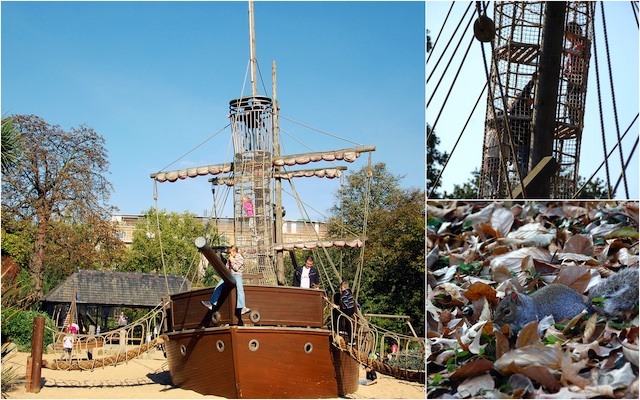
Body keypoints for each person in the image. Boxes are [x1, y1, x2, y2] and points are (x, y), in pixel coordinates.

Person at [201, 245, 250, 315]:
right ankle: (211, 303)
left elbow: (236, 268)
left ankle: (242, 307)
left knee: (240, 288)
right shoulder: (230, 258)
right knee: (218, 286)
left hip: (237, 274)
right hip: (229, 275)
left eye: (231, 253)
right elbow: (227, 268)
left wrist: (232, 261)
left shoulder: (240, 258)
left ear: (235, 252)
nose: (229, 255)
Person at [507, 71, 537, 177]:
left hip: (528, 144)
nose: (530, 97)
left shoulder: (529, 111)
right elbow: (524, 95)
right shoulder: (518, 108)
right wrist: (532, 82)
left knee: (531, 170)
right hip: (522, 145)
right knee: (524, 172)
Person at [563, 21, 590, 127]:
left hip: (578, 75)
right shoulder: (572, 45)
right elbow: (569, 53)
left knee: (574, 98)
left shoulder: (583, 42)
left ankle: (577, 120)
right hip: (571, 76)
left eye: (567, 35)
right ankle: (572, 121)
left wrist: (581, 51)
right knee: (569, 98)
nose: (567, 38)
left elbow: (587, 55)